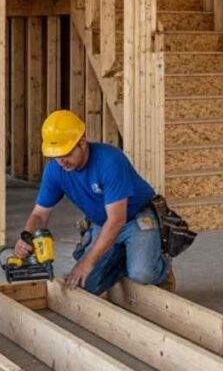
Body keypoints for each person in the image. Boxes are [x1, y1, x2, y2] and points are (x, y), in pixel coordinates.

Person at [14, 109, 173, 295]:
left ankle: (163, 267)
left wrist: (86, 263)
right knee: (86, 284)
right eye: (56, 155)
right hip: (102, 223)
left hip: (135, 219)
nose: (61, 161)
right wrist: (26, 236)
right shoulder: (55, 170)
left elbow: (116, 221)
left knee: (142, 273)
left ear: (82, 142)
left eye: (66, 152)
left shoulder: (110, 161)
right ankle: (123, 256)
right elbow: (39, 214)